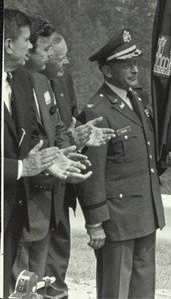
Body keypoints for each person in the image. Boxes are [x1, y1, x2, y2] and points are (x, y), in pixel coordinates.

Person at [77, 28, 165, 299]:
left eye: (135, 63)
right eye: (125, 65)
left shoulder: (138, 99)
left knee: (142, 289)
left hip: (144, 212)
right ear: (106, 71)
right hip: (116, 219)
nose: (134, 70)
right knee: (115, 291)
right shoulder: (97, 111)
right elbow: (91, 173)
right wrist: (95, 222)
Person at [2, 9, 72, 295]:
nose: (31, 48)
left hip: (23, 207)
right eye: (28, 41)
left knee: (29, 287)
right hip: (17, 198)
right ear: (9, 45)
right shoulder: (19, 81)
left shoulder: (17, 83)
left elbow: (35, 137)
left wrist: (53, 159)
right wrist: (23, 168)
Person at [43, 33, 80, 299]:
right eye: (60, 58)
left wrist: (78, 138)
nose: (67, 62)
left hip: (63, 180)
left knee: (61, 240)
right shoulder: (28, 81)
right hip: (40, 180)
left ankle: (58, 290)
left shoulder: (64, 78)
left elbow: (70, 123)